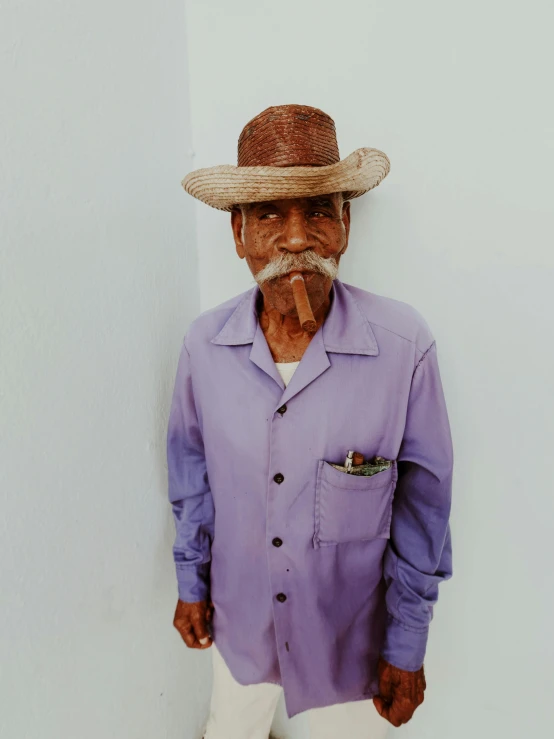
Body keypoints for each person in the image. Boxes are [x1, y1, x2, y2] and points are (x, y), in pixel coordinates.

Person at [167, 104, 454, 739]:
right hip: (238, 630)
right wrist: (192, 582)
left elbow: (423, 511)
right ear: (238, 234)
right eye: (269, 214)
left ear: (345, 225)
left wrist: (406, 647)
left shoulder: (404, 346)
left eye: (319, 211)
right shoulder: (203, 347)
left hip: (349, 649)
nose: (297, 238)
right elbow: (191, 477)